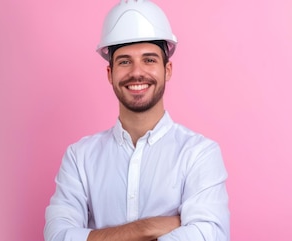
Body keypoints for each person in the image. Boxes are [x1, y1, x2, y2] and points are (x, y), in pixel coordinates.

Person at [44, 0, 230, 240]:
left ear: (168, 70)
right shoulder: (79, 158)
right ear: (110, 74)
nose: (137, 72)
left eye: (149, 59)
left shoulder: (199, 154)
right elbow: (57, 236)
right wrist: (147, 229)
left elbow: (209, 235)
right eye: (124, 61)